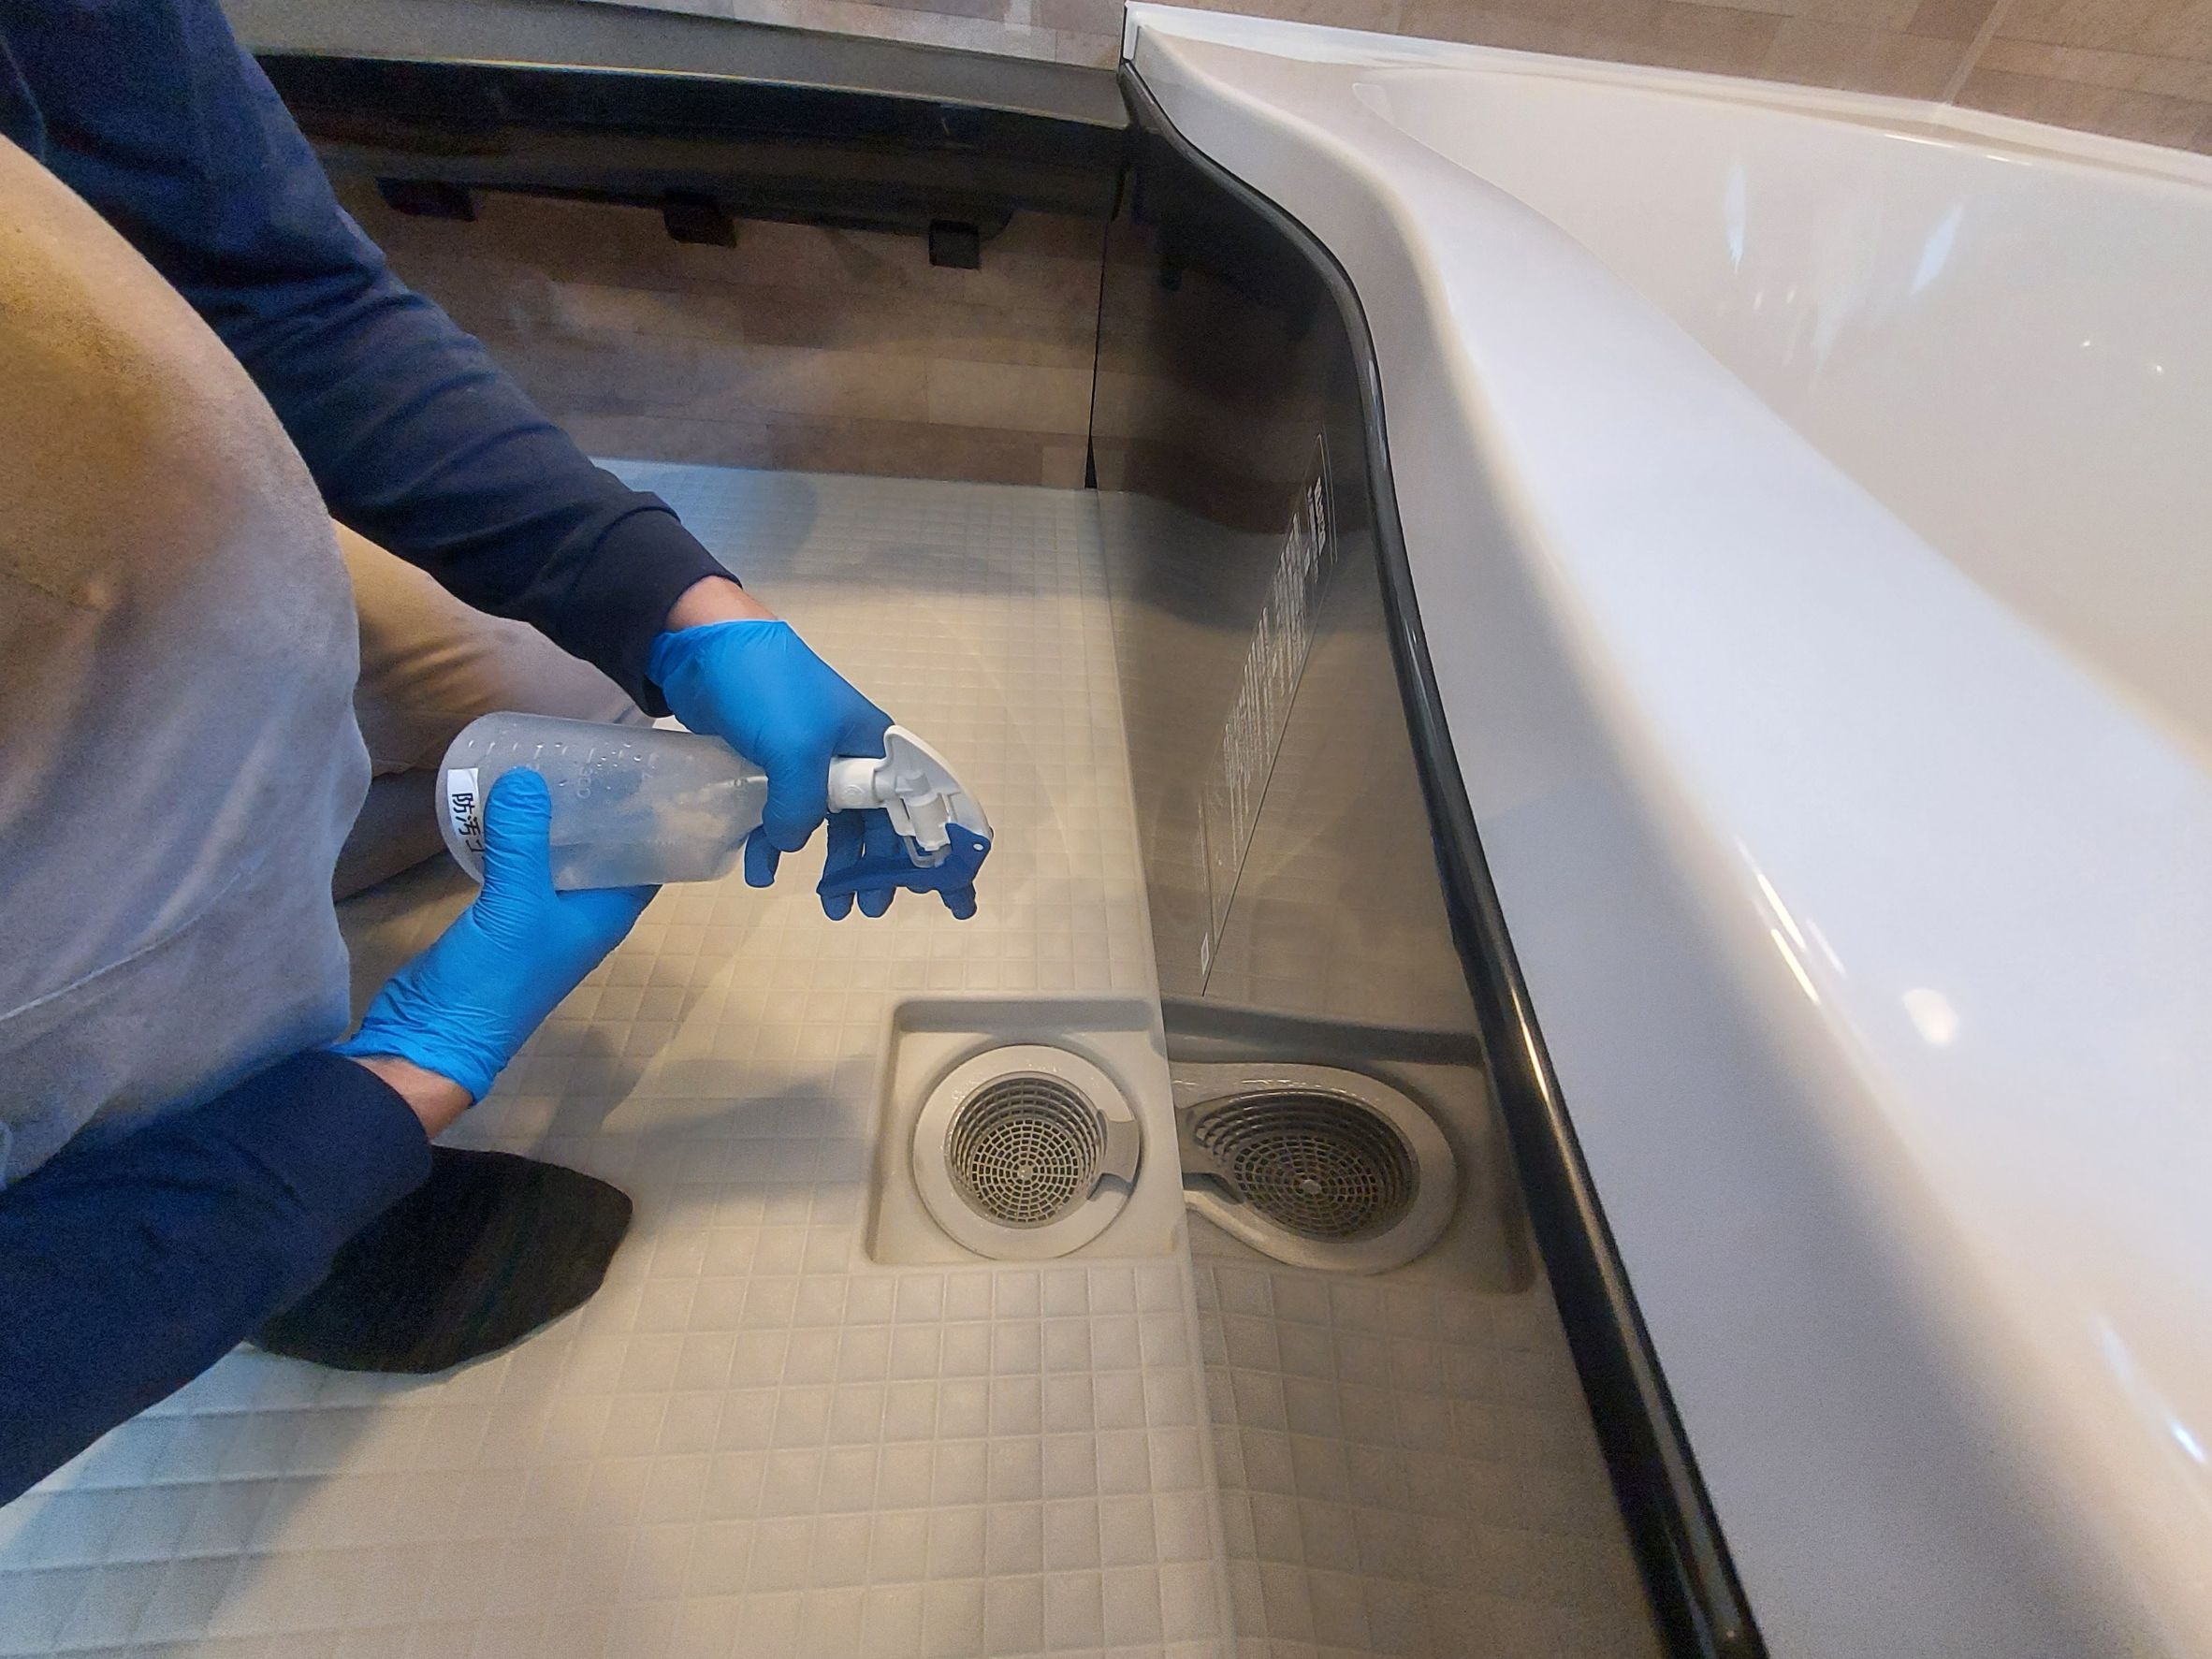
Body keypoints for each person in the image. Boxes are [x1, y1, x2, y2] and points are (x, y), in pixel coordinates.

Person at [0, 0, 961, 1505]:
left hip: (152, 525)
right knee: (168, 1034)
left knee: (552, 696)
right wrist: (398, 1082)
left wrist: (683, 609)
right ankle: (272, 1216)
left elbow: (281, 288)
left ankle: (259, 895)